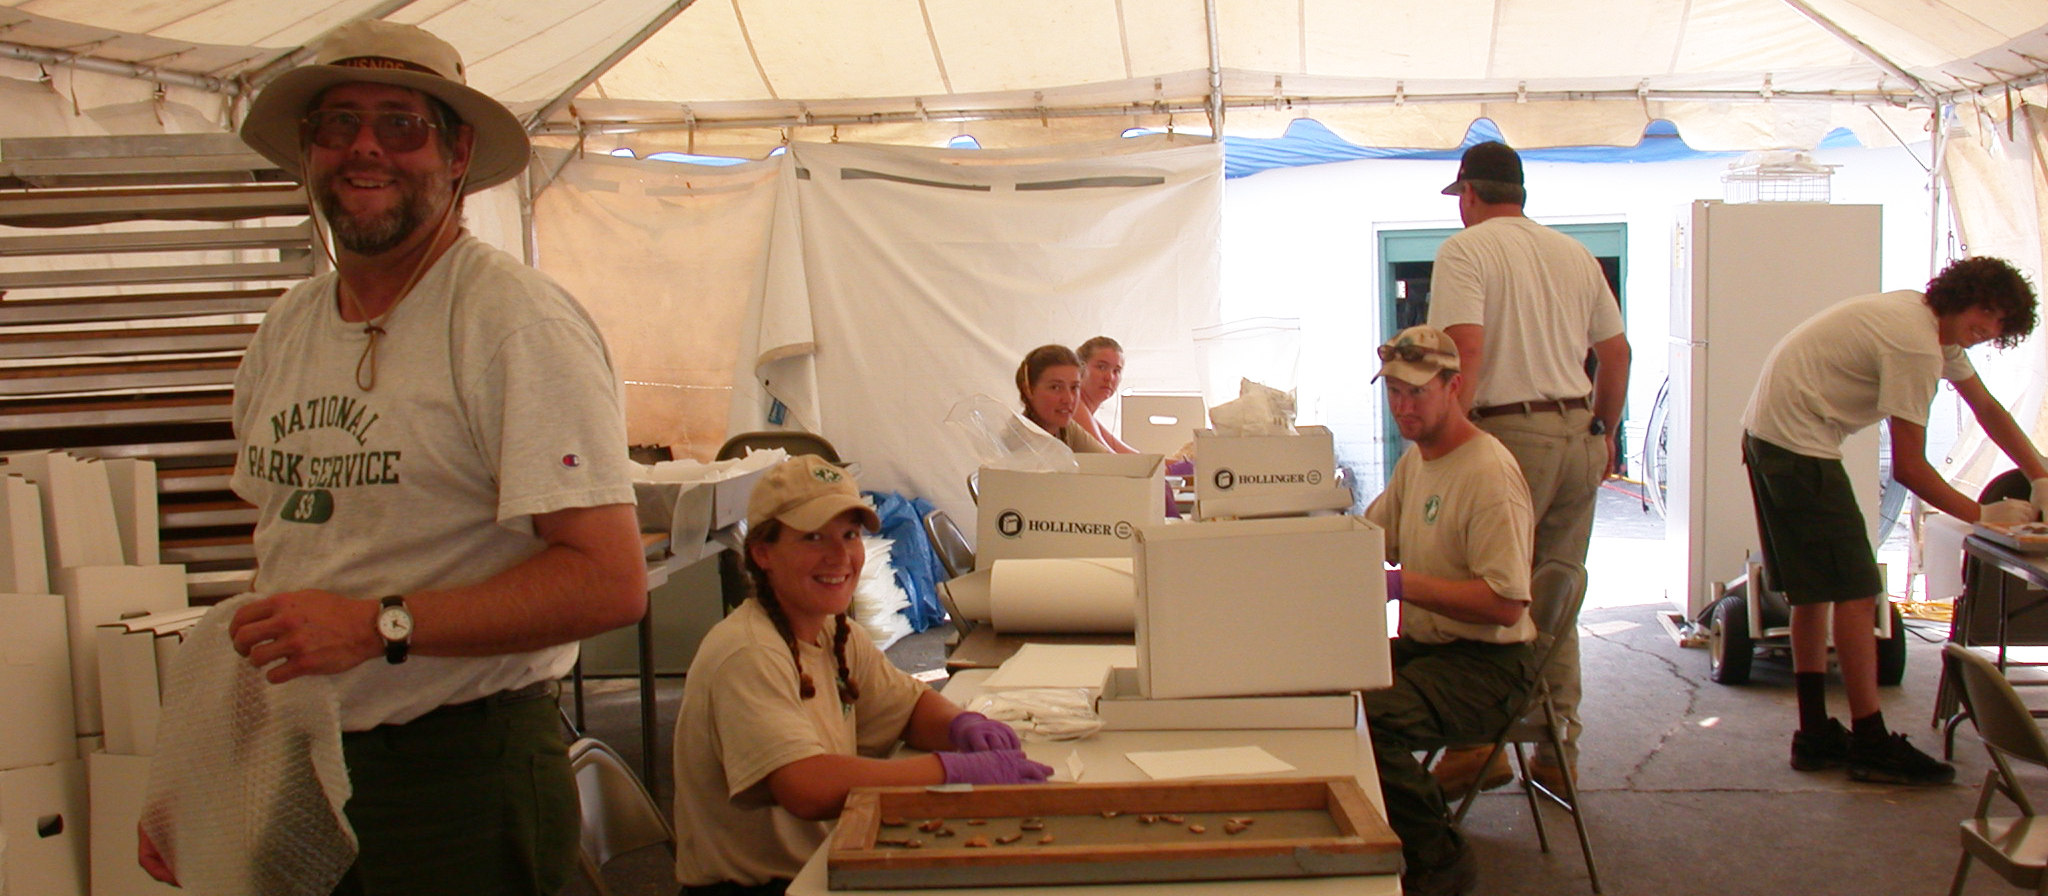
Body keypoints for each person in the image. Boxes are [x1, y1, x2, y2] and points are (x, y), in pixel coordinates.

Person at [139, 20, 649, 895]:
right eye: (337, 123)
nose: (364, 147)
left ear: (455, 155)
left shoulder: (511, 323)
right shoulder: (287, 331)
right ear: (308, 150)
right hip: (303, 760)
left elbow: (609, 581)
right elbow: (290, 562)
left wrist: (379, 626)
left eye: (400, 124)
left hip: (458, 770)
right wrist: (202, 773)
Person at [674, 455, 1053, 893]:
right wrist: (952, 770)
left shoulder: (834, 632)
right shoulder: (749, 652)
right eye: (812, 536)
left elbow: (907, 708)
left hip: (825, 862)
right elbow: (807, 787)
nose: (839, 556)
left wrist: (960, 725)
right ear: (763, 553)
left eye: (849, 535)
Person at [1747, 256, 2048, 784]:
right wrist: (1983, 515)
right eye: (1983, 318)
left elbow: (1986, 406)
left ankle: (1814, 734)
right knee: (1859, 596)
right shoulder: (1913, 343)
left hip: (1772, 436)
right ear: (1963, 295)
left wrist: (2040, 473)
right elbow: (1909, 467)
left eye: (1995, 328)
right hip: (1797, 447)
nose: (1985, 334)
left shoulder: (1926, 321)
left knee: (1814, 593)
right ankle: (1869, 740)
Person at [1424, 140, 1629, 797]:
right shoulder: (1572, 253)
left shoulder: (1468, 250)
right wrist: (1605, 428)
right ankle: (1555, 750)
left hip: (1509, 434)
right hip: (1576, 432)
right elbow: (1616, 352)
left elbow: (1467, 346)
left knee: (1479, 586)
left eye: (1461, 200)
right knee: (1555, 594)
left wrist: (1452, 439)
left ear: (1472, 196)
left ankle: (1476, 742)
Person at [1363, 326, 1538, 896]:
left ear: (1454, 387)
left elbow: (1506, 605)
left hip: (1489, 665)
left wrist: (1400, 583)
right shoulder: (1419, 462)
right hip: (1435, 646)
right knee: (1329, 687)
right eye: (1393, 392)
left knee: (1372, 719)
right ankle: (1386, 830)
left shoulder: (1487, 473)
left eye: (1417, 392)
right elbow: (1371, 536)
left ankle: (1438, 857)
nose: (1402, 406)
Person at [1017, 343, 1110, 453]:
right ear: (1028, 390)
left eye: (1074, 387)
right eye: (1055, 387)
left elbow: (1108, 462)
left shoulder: (1067, 429)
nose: (1069, 399)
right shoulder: (1016, 442)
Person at [1074, 336, 1139, 453]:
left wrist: (1178, 464)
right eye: (1101, 367)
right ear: (1080, 368)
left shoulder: (1087, 414)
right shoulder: (1074, 406)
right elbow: (1110, 459)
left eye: (1116, 371)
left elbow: (1136, 457)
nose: (1109, 377)